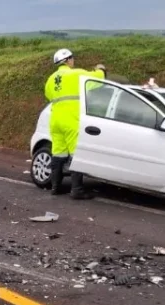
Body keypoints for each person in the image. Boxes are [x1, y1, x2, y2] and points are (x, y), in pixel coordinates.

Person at [44, 48, 107, 199]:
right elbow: (97, 79)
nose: (73, 61)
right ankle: (77, 190)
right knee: (76, 155)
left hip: (55, 120)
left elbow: (48, 95)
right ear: (67, 60)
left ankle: (55, 187)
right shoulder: (76, 73)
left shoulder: (50, 79)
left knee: (58, 154)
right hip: (71, 120)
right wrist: (101, 69)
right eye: (72, 58)